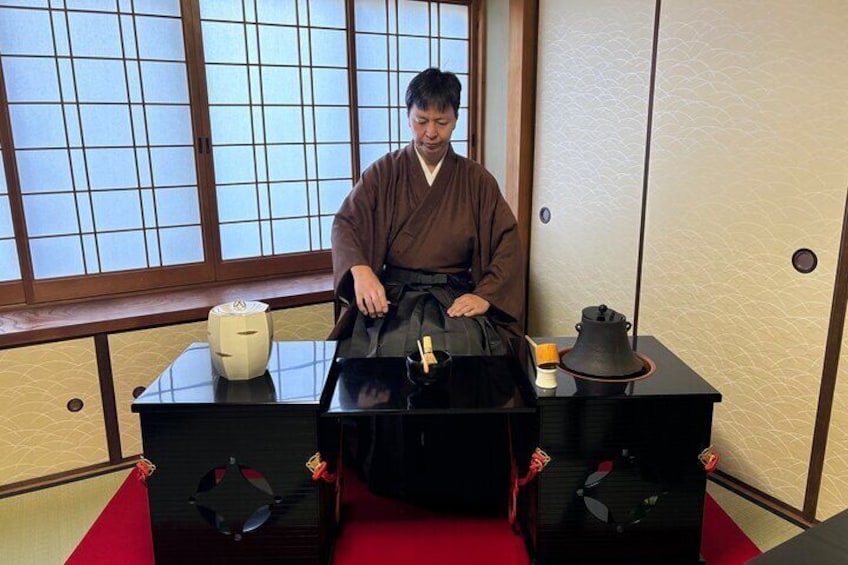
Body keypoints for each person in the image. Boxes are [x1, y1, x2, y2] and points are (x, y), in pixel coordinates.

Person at [330, 67, 525, 358]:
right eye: (421, 121)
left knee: (467, 352)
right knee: (378, 354)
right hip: (394, 295)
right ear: (408, 117)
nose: (431, 133)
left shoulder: (477, 180)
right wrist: (360, 271)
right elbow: (346, 224)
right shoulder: (384, 173)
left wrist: (485, 295)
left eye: (441, 122)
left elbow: (508, 242)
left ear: (456, 120)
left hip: (454, 297)